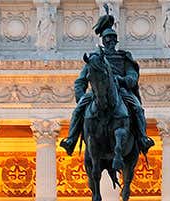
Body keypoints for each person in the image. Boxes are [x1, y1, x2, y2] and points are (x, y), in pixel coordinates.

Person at [59, 11, 155, 157]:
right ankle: (71, 139)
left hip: (121, 92)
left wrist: (121, 80)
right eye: (107, 39)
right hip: (96, 93)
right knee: (78, 110)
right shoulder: (94, 60)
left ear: (116, 42)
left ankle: (142, 138)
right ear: (103, 41)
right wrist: (81, 98)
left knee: (137, 108)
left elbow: (132, 77)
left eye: (112, 39)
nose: (110, 42)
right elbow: (81, 81)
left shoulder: (123, 57)